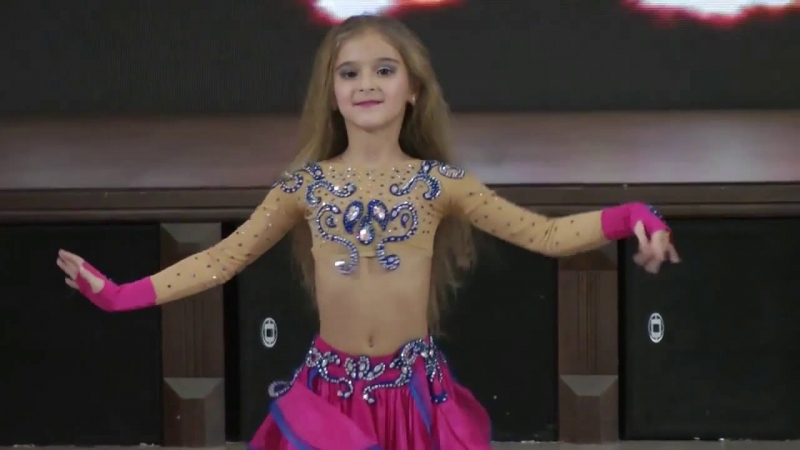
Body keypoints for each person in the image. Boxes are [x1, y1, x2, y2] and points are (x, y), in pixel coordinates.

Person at [56, 14, 680, 450]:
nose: (366, 84)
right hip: (329, 397)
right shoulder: (304, 187)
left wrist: (634, 217)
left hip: (416, 399)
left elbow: (544, 236)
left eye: (384, 70)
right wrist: (117, 294)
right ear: (331, 94)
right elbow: (221, 259)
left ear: (412, 90)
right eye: (349, 73)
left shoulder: (440, 184)